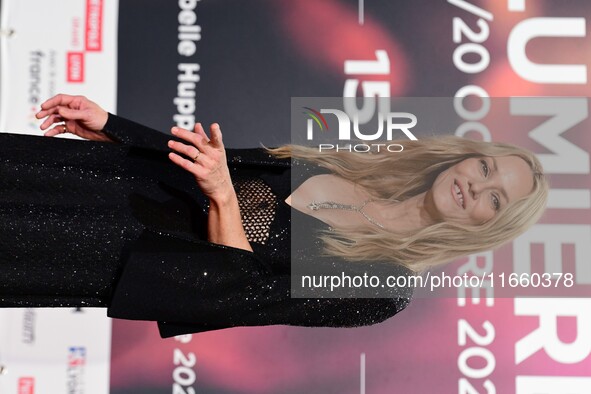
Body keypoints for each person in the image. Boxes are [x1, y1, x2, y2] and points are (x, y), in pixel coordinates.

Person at [0, 94, 548, 338]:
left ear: (488, 226)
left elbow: (228, 294)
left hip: (101, 250)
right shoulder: (349, 163)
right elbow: (219, 168)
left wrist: (222, 197)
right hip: (100, 178)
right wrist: (114, 127)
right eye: (484, 167)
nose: (475, 186)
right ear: (463, 156)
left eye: (495, 198)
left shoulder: (383, 287)